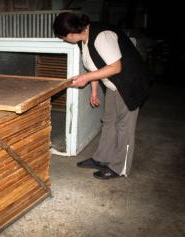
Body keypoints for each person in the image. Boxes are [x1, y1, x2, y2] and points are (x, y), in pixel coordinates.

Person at [53, 12, 149, 180]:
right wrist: (94, 91)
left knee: (124, 126)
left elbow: (115, 67)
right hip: (114, 84)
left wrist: (85, 79)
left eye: (62, 37)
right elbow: (94, 67)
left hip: (130, 83)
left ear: (70, 34)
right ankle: (101, 158)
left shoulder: (102, 37)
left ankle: (120, 168)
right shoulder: (83, 40)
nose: (63, 40)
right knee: (108, 121)